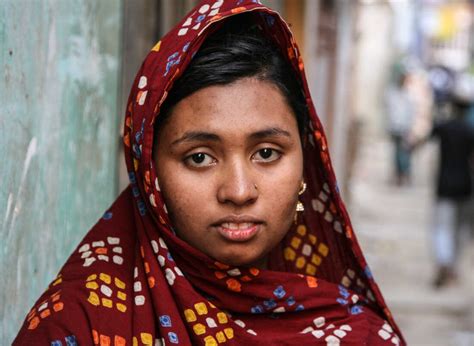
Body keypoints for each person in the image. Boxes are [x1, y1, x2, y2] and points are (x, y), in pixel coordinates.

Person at [14, 1, 404, 345]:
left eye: (267, 153)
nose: (238, 191)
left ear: (306, 158)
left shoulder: (357, 335)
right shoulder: (79, 325)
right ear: (149, 172)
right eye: (199, 158)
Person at [427, 96, 474, 288]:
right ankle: (452, 265)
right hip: (465, 186)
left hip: (444, 185)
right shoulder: (470, 131)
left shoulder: (444, 127)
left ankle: (444, 262)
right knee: (460, 230)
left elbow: (426, 138)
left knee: (442, 227)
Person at [385, 69, 416, 186]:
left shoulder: (408, 95)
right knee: (396, 153)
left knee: (403, 153)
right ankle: (399, 175)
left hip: (404, 128)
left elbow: (411, 113)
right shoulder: (392, 93)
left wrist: (410, 129)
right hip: (395, 127)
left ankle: (405, 174)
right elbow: (390, 110)